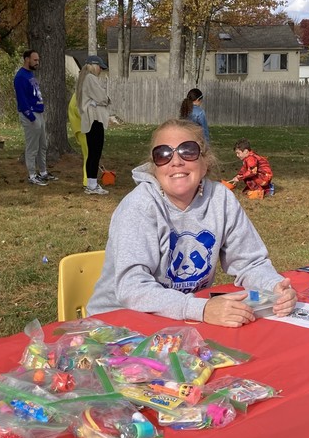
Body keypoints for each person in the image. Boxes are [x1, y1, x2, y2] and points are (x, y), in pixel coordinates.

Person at [87, 119, 297, 327]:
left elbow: (250, 263)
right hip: (116, 325)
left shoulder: (220, 199)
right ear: (154, 167)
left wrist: (274, 286)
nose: (176, 161)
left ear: (205, 163)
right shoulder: (138, 206)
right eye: (163, 154)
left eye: (187, 151)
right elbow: (132, 288)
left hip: (178, 322)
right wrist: (201, 309)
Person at [13, 49, 57, 186]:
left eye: (38, 60)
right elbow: (21, 99)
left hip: (39, 113)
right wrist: (30, 116)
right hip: (30, 115)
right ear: (27, 59)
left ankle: (43, 172)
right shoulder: (20, 77)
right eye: (35, 60)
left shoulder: (30, 75)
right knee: (32, 147)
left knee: (42, 145)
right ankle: (32, 175)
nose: (37, 62)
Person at [75, 55, 111, 196]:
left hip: (90, 120)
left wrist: (97, 101)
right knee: (95, 153)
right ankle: (92, 185)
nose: (101, 70)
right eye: (100, 67)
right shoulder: (90, 78)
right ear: (94, 66)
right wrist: (102, 100)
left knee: (92, 154)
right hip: (94, 120)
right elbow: (102, 97)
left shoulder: (84, 79)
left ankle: (91, 183)